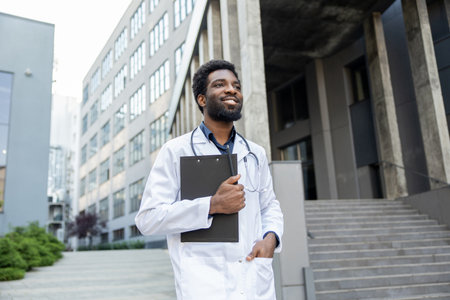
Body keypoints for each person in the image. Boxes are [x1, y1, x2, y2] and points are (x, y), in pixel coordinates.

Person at [135, 59, 284, 300]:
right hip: (203, 285)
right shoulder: (176, 151)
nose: (231, 89)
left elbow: (269, 205)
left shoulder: (255, 153)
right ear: (202, 99)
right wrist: (211, 205)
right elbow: (148, 219)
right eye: (219, 84)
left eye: (236, 85)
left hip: (254, 280)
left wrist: (271, 239)